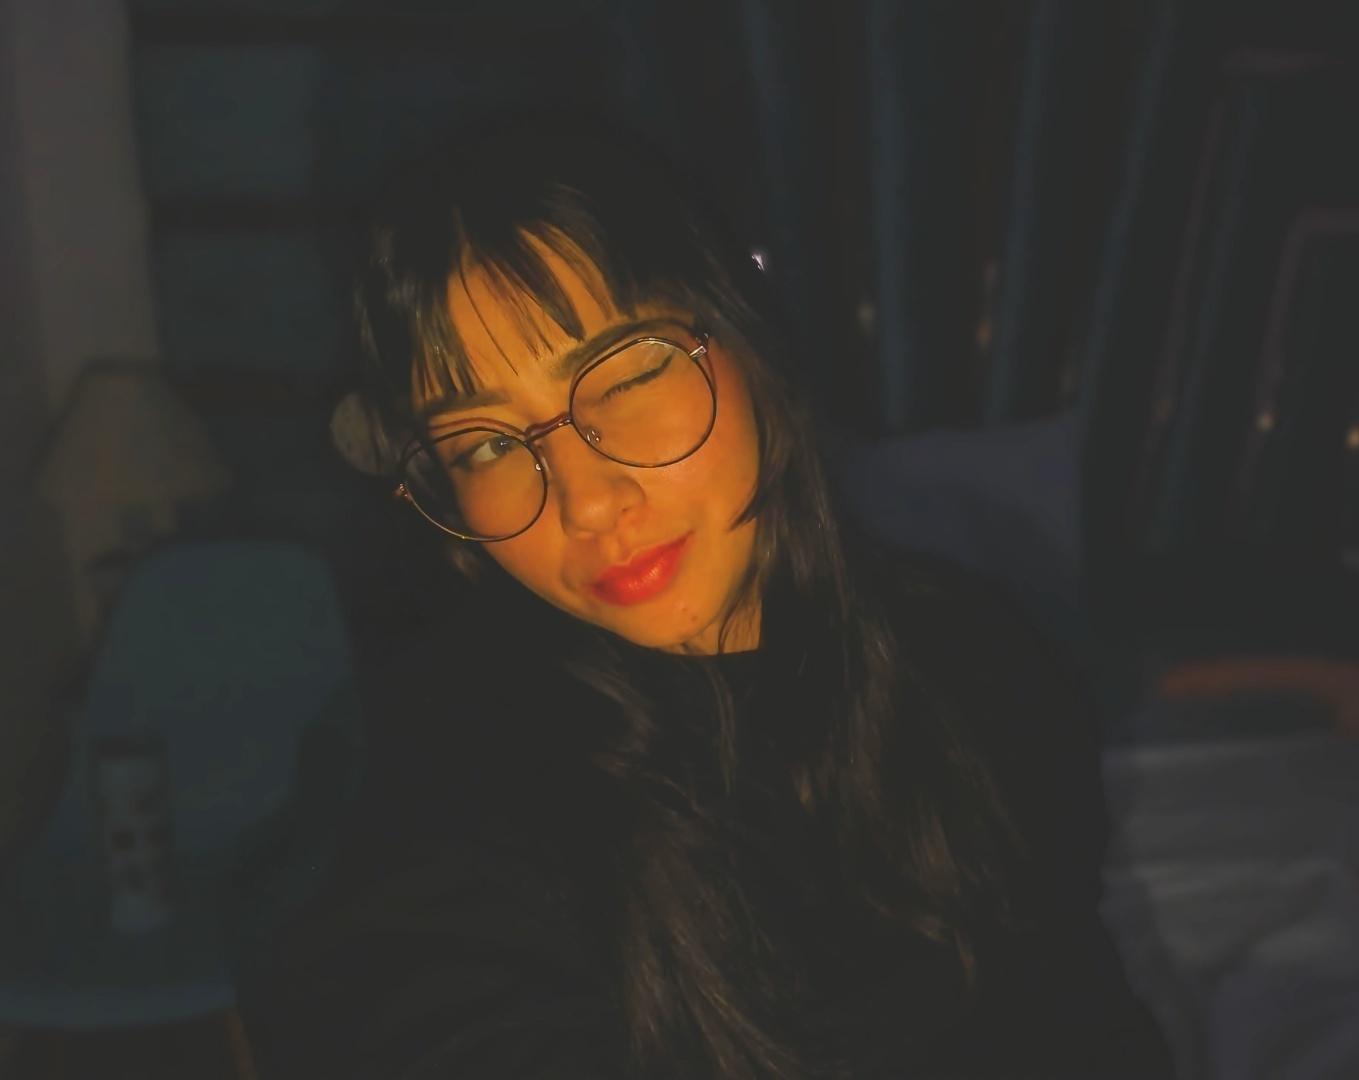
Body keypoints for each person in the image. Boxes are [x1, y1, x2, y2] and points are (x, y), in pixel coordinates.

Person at [241, 117, 1171, 1079]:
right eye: (484, 444)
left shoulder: (985, 665)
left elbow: (1083, 1015)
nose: (586, 501)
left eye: (627, 375)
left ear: (743, 332)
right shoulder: (447, 782)